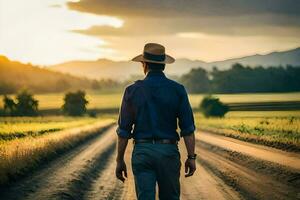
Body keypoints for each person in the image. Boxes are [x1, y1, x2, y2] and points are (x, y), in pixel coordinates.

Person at [115, 43, 196, 200]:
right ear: (163, 65)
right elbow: (187, 129)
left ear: (144, 65)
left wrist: (119, 160)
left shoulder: (131, 91)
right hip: (168, 152)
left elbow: (124, 131)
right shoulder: (178, 90)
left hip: (142, 152)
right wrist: (191, 157)